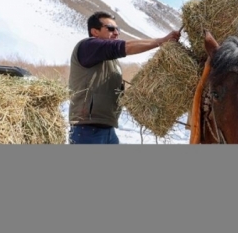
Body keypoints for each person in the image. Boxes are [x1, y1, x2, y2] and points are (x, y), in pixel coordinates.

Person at [68, 11, 181, 144]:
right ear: (95, 32)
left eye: (118, 29)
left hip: (108, 129)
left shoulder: (111, 60)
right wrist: (161, 41)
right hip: (87, 129)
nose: (116, 32)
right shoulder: (88, 46)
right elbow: (125, 46)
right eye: (110, 29)